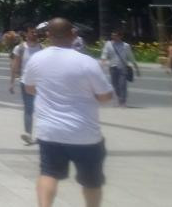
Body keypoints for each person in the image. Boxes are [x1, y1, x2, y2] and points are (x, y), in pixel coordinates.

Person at [22, 18, 115, 207]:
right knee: (91, 180)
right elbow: (105, 96)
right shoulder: (86, 62)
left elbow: (29, 89)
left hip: (50, 132)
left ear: (48, 35)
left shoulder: (37, 59)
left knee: (48, 173)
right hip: (84, 133)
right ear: (73, 34)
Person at [10, 26, 44, 145]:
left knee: (41, 109)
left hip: (41, 83)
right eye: (32, 32)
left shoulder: (42, 48)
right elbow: (15, 65)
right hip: (26, 82)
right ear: (26, 34)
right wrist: (12, 82)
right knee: (29, 109)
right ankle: (28, 134)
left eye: (36, 32)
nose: (34, 34)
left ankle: (41, 135)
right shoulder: (20, 48)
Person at [99, 31, 141, 107]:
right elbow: (104, 55)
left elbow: (131, 57)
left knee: (122, 85)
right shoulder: (108, 44)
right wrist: (102, 65)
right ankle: (118, 99)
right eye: (112, 35)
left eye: (115, 35)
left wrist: (136, 68)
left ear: (120, 36)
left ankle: (123, 102)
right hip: (113, 68)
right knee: (115, 85)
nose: (113, 37)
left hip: (123, 68)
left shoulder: (125, 46)